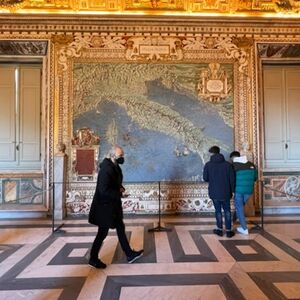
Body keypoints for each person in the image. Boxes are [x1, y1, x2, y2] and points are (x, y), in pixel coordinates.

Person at [88, 145, 143, 268]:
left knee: (120, 227)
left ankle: (129, 254)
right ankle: (93, 258)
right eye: (120, 155)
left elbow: (113, 183)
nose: (122, 158)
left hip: (112, 206)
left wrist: (120, 188)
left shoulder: (114, 165)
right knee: (102, 233)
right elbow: (103, 190)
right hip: (105, 207)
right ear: (113, 156)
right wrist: (119, 193)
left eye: (122, 155)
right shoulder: (106, 169)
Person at [203, 146, 235, 238]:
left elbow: (205, 178)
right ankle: (229, 231)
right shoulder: (228, 165)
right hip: (226, 192)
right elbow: (232, 179)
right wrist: (232, 191)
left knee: (218, 211)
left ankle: (220, 230)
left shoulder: (208, 165)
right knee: (227, 211)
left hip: (214, 192)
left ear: (212, 153)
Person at [230, 151, 258, 235]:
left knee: (239, 208)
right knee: (239, 207)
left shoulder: (233, 165)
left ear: (233, 158)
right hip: (249, 191)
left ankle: (244, 228)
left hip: (238, 190)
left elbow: (232, 178)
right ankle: (232, 221)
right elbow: (255, 178)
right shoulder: (251, 165)